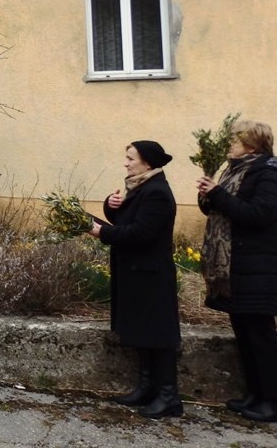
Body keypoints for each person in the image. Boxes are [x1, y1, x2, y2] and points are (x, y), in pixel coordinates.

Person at [196, 120, 277, 423]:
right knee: (244, 332)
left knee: (261, 335)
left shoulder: (270, 171)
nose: (229, 145)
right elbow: (221, 210)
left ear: (251, 144)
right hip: (237, 266)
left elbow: (260, 214)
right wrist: (208, 195)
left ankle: (275, 403)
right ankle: (256, 394)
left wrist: (219, 195)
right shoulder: (234, 171)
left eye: (234, 140)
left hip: (257, 265)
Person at [89, 140, 182, 419]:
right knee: (143, 331)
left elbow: (140, 233)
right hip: (138, 272)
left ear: (148, 163)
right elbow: (126, 220)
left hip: (151, 274)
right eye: (126, 158)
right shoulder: (141, 187)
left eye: (131, 158)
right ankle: (147, 387)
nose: (126, 163)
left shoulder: (157, 193)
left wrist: (100, 232)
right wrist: (111, 205)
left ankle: (169, 397)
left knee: (158, 334)